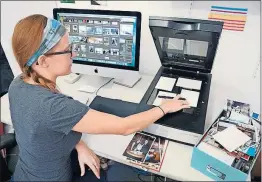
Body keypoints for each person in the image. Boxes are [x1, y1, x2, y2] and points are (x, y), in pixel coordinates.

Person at [9, 14, 190, 181]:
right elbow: (124, 127)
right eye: (67, 50)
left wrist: (78, 144)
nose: (75, 54)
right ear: (42, 61)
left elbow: (46, 130)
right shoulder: (55, 107)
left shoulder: (19, 83)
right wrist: (163, 107)